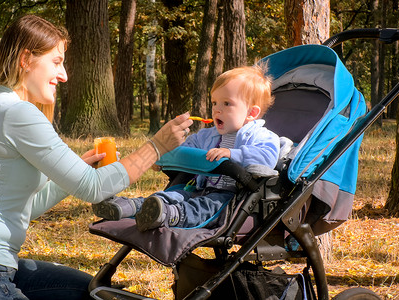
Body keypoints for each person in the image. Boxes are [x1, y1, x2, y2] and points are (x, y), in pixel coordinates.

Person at [0, 15, 192, 300]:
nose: (64, 76)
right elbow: (94, 187)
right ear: (26, 59)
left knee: (94, 292)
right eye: (57, 62)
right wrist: (157, 146)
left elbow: (26, 207)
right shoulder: (18, 113)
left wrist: (74, 172)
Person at [93, 64, 280, 232]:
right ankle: (129, 207)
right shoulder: (207, 135)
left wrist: (233, 154)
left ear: (251, 112)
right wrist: (162, 158)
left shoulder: (261, 136)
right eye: (214, 102)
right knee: (173, 194)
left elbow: (267, 156)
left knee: (201, 207)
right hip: (199, 187)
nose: (216, 109)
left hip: (231, 197)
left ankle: (168, 214)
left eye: (226, 103)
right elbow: (185, 151)